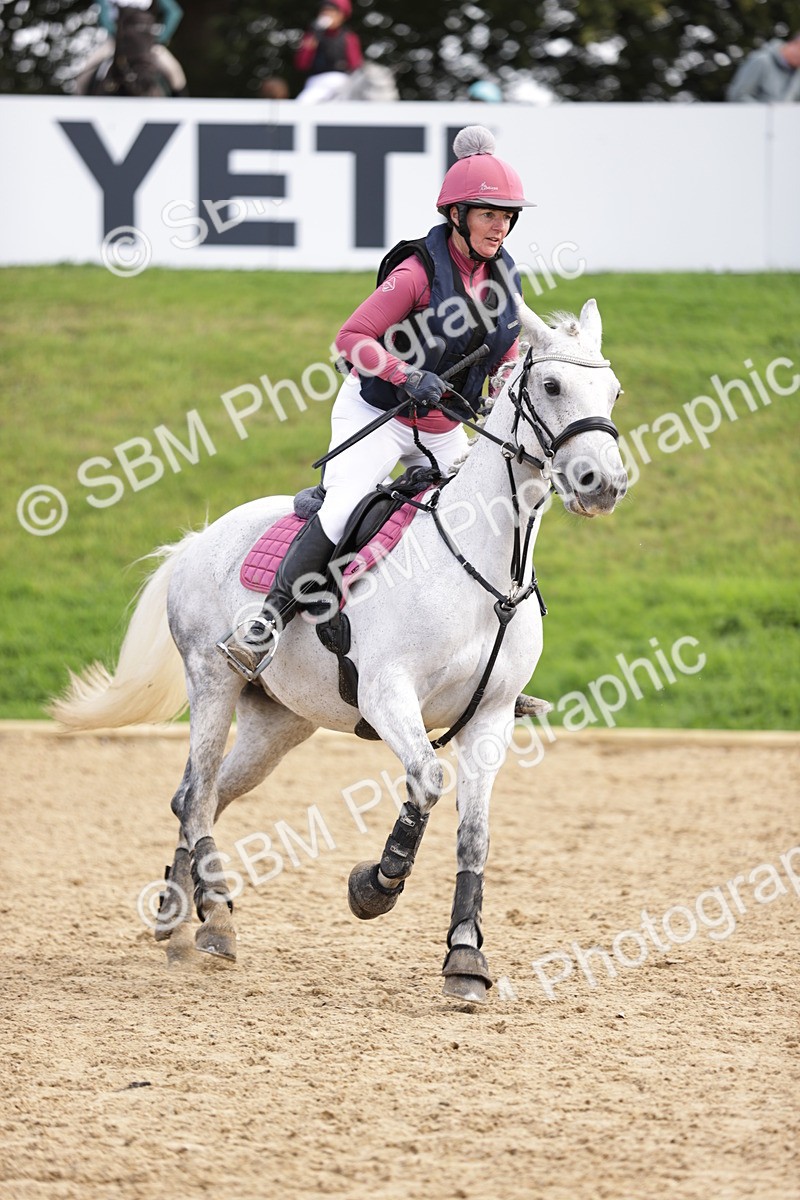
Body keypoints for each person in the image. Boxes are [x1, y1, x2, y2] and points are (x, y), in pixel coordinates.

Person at [222, 126, 535, 679]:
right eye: (488, 213)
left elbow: (507, 347)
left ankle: (483, 672)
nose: (501, 225)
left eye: (507, 215)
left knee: (487, 509)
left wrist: (503, 383)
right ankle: (264, 624)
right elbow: (350, 338)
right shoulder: (417, 272)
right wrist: (404, 373)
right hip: (378, 415)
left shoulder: (503, 278)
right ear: (457, 214)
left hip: (441, 427)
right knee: (344, 507)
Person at [75, 0, 185, 96]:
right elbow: (104, 15)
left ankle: (182, 111)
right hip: (115, 42)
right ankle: (79, 112)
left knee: (175, 74)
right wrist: (119, 37)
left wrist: (160, 38)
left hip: (146, 43)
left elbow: (174, 12)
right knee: (83, 77)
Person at [294, 0, 363, 104]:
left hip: (342, 81)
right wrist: (312, 40)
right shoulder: (312, 35)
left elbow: (356, 65)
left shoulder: (349, 38)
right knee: (302, 104)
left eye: (331, 11)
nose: (326, 14)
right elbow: (302, 64)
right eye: (324, 11)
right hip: (316, 81)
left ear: (342, 15)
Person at [726, 32, 800, 102]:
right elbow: (738, 95)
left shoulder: (797, 73)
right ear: (794, 44)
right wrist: (767, 113)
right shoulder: (761, 61)